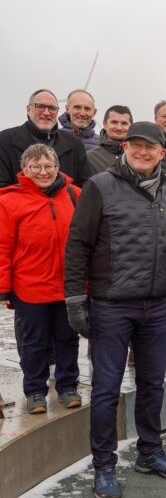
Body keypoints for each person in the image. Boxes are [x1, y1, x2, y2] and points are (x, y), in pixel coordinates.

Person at [65, 121, 166, 497]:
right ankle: (104, 465)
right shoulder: (100, 186)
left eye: (149, 146)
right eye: (134, 145)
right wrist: (75, 300)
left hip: (155, 307)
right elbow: (77, 246)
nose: (141, 151)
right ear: (125, 148)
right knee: (106, 389)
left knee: (152, 384)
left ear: (161, 152)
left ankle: (149, 452)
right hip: (110, 306)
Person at [0, 144, 82, 414]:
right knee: (34, 343)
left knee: (68, 338)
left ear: (58, 167)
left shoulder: (74, 195)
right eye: (36, 167)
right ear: (25, 170)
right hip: (30, 287)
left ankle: (68, 386)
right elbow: (2, 246)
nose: (43, 172)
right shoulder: (9, 201)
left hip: (68, 286)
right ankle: (35, 391)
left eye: (49, 166)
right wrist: (3, 287)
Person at [0, 89, 90, 188]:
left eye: (52, 108)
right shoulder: (4, 140)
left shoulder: (75, 143)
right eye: (40, 107)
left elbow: (84, 187)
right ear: (28, 109)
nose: (47, 113)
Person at [88, 105, 133, 174]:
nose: (119, 128)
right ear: (104, 124)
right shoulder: (90, 158)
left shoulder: (138, 156)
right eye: (114, 122)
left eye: (124, 123)